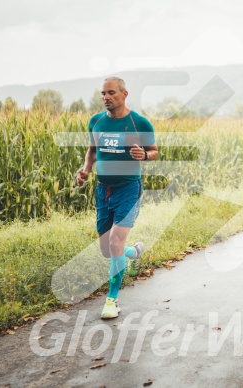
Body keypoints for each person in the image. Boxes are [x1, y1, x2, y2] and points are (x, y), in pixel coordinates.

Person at [76, 77, 159, 319]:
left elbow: (154, 151)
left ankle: (111, 300)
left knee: (114, 244)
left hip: (128, 190)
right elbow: (92, 151)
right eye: (103, 93)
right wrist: (85, 170)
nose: (106, 97)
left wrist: (143, 155)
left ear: (124, 94)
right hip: (103, 190)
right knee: (107, 249)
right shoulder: (96, 122)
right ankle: (132, 253)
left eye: (111, 93)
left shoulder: (139, 123)